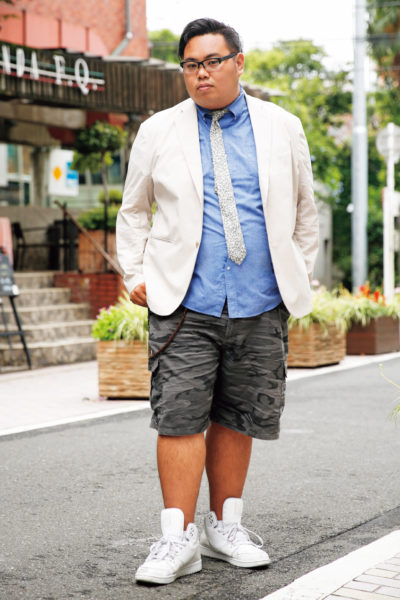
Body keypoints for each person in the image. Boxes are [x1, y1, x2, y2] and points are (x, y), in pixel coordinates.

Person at [116, 17, 319, 585]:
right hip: (184, 303)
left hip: (260, 302)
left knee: (238, 417)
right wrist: (136, 273)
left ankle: (225, 527)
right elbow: (134, 211)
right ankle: (176, 538)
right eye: (190, 65)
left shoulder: (282, 127)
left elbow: (305, 213)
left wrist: (295, 276)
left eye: (212, 61)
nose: (201, 74)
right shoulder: (158, 130)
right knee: (179, 418)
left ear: (238, 62)